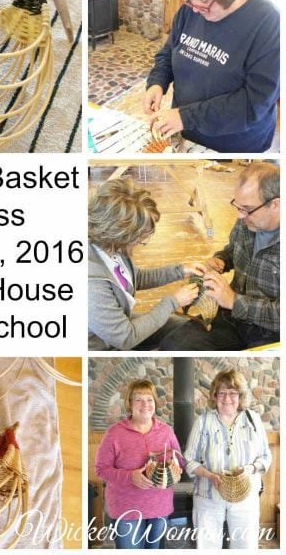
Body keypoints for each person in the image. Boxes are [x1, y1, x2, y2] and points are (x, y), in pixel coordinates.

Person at [143, 0, 280, 153]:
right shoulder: (189, 10)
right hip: (187, 131)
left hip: (234, 144)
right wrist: (157, 82)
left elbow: (255, 102)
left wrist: (186, 117)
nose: (195, 8)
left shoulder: (269, 23)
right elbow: (168, 53)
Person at [160, 162, 279, 350]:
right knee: (172, 345)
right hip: (233, 316)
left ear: (275, 204)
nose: (240, 216)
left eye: (246, 209)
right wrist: (222, 259)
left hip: (270, 332)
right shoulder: (248, 219)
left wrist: (233, 300)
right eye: (238, 207)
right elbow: (233, 249)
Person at [89, 177, 205, 350]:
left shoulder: (112, 249)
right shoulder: (91, 283)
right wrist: (173, 302)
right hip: (105, 345)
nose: (141, 242)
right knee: (180, 332)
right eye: (140, 238)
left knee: (184, 328)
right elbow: (125, 337)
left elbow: (136, 278)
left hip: (120, 328)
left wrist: (180, 270)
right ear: (121, 234)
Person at [183, 369, 271, 549]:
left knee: (245, 547)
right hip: (208, 498)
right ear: (214, 396)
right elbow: (189, 460)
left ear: (241, 396)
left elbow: (265, 456)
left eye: (233, 393)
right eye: (221, 393)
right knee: (207, 548)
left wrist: (250, 469)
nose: (227, 398)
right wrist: (209, 475)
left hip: (245, 500)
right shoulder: (203, 421)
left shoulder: (253, 420)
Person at [95, 379, 182, 549]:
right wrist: (130, 476)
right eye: (139, 400)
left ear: (155, 403)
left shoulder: (166, 431)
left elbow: (179, 460)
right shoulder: (114, 433)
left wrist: (175, 467)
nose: (145, 404)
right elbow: (101, 469)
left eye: (149, 399)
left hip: (159, 508)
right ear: (130, 403)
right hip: (126, 510)